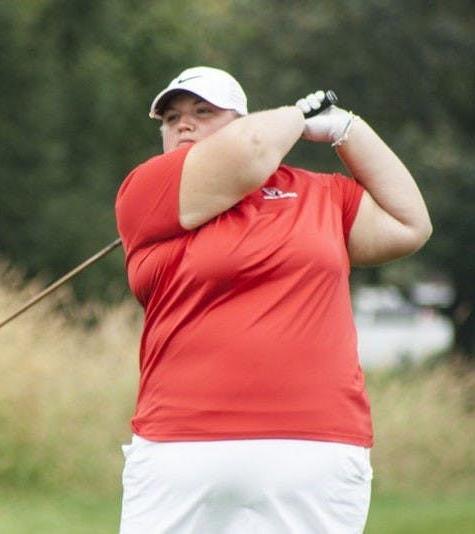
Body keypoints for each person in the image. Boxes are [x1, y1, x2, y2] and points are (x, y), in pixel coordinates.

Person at [114, 66, 432, 533]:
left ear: (243, 120)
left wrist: (348, 129)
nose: (183, 124)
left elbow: (410, 226)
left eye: (203, 112)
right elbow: (251, 151)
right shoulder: (148, 190)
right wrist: (294, 118)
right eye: (171, 117)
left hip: (316, 447)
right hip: (184, 446)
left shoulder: (320, 194)